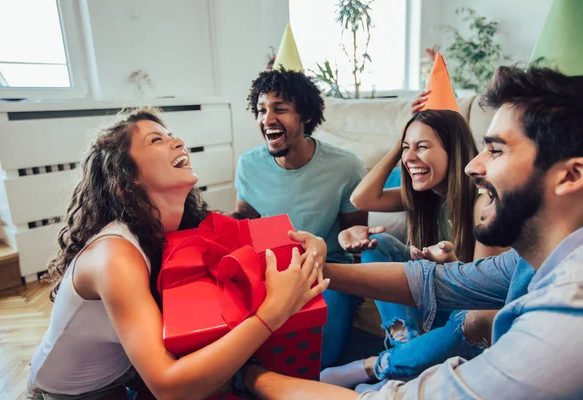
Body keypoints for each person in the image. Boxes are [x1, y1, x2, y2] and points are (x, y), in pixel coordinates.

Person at [237, 65, 583, 399]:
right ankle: (403, 344)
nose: (474, 166)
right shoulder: (527, 262)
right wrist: (310, 268)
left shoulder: (565, 320)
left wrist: (249, 375)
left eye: (495, 150)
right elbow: (432, 281)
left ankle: (385, 362)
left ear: (571, 176)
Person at [26, 107, 329, 399]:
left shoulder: (179, 223)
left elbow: (250, 245)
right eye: (156, 140)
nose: (179, 141)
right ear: (127, 175)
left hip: (125, 374)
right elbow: (169, 389)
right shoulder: (115, 255)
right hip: (71, 394)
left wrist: (312, 245)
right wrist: (271, 315)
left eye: (171, 135)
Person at [327, 88, 508, 387]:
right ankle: (406, 347)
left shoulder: (481, 205)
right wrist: (401, 146)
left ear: (454, 150)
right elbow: (362, 198)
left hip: (470, 316)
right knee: (379, 244)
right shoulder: (426, 196)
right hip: (431, 301)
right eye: (406, 148)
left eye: (422, 147)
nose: (410, 157)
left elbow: (486, 298)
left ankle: (381, 365)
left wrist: (450, 264)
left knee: (466, 325)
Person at [233, 67, 369, 367]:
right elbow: (245, 219)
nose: (267, 119)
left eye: (279, 109)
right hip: (272, 271)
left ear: (305, 115)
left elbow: (356, 234)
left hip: (329, 274)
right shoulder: (248, 165)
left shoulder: (346, 166)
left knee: (318, 360)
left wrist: (356, 279)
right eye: (261, 110)